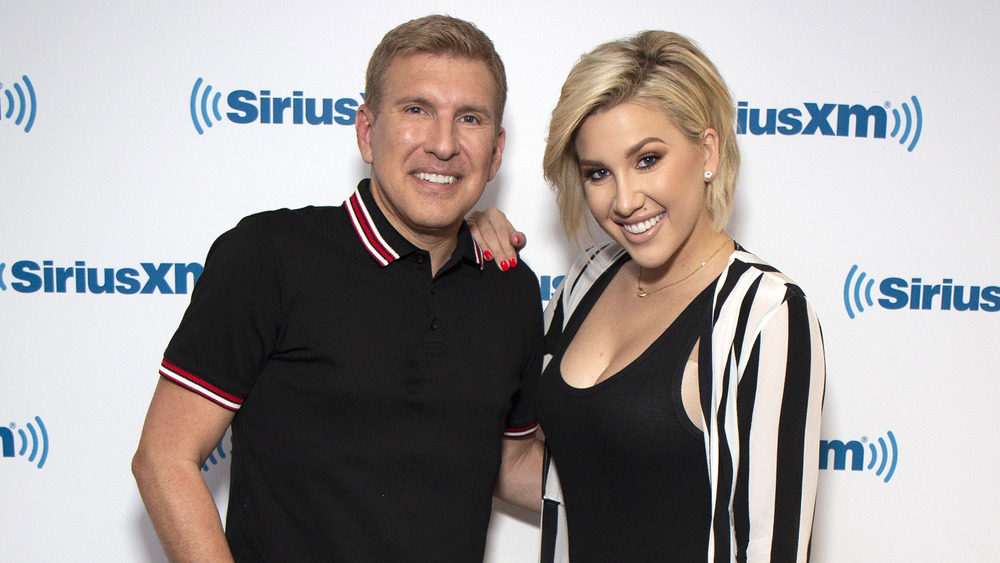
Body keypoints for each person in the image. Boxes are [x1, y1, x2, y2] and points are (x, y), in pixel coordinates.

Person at [131, 15, 544, 562]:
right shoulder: (270, 254)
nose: (443, 144)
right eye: (417, 110)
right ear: (367, 132)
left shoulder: (510, 289)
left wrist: (667, 479)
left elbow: (512, 464)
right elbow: (165, 456)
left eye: (469, 118)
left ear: (495, 152)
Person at [472, 31, 825, 562]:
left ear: (707, 150)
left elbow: (770, 549)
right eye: (598, 173)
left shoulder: (763, 313)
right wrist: (463, 256)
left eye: (647, 160)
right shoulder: (590, 277)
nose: (625, 200)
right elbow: (534, 467)